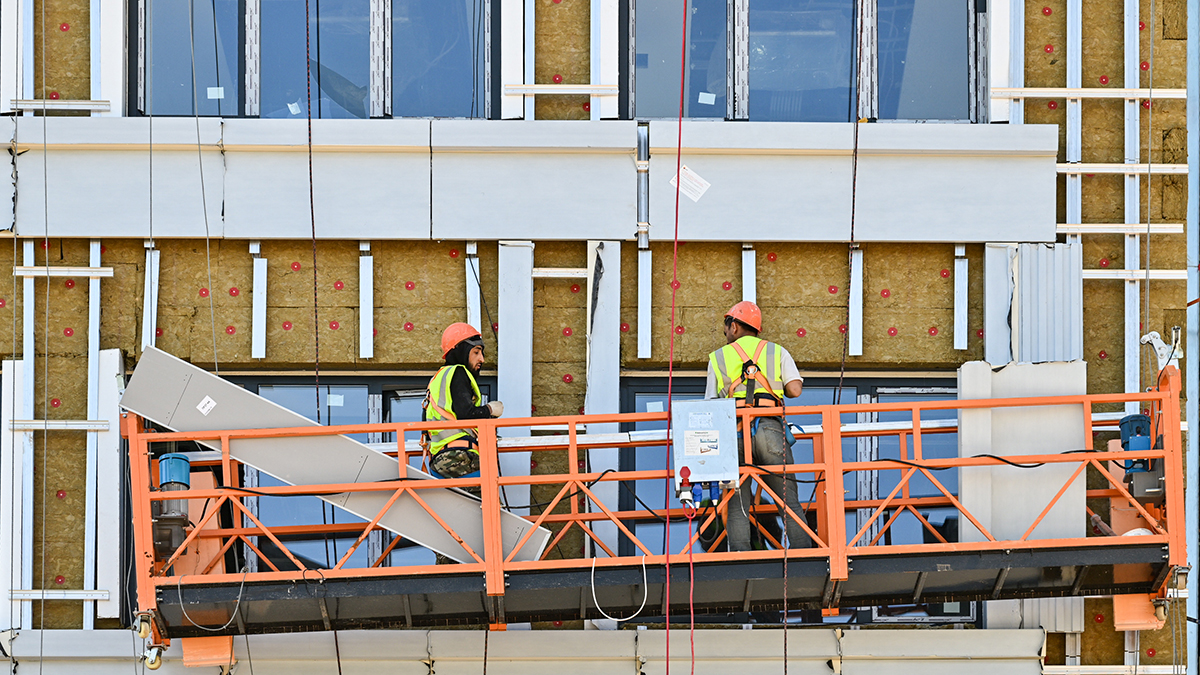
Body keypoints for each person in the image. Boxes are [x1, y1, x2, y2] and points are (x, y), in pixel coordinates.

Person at [706, 301, 811, 552]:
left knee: (737, 501)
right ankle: (805, 552)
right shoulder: (777, 352)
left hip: (735, 434)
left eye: (726, 328)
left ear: (733, 326)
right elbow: (795, 390)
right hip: (770, 429)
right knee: (788, 499)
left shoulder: (718, 358)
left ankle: (741, 558)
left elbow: (712, 406)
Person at [424, 323, 504, 495]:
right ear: (460, 351)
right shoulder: (458, 372)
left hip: (440, 462)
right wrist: (489, 410)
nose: (481, 359)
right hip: (459, 458)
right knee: (488, 509)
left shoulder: (437, 380)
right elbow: (466, 415)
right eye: (476, 352)